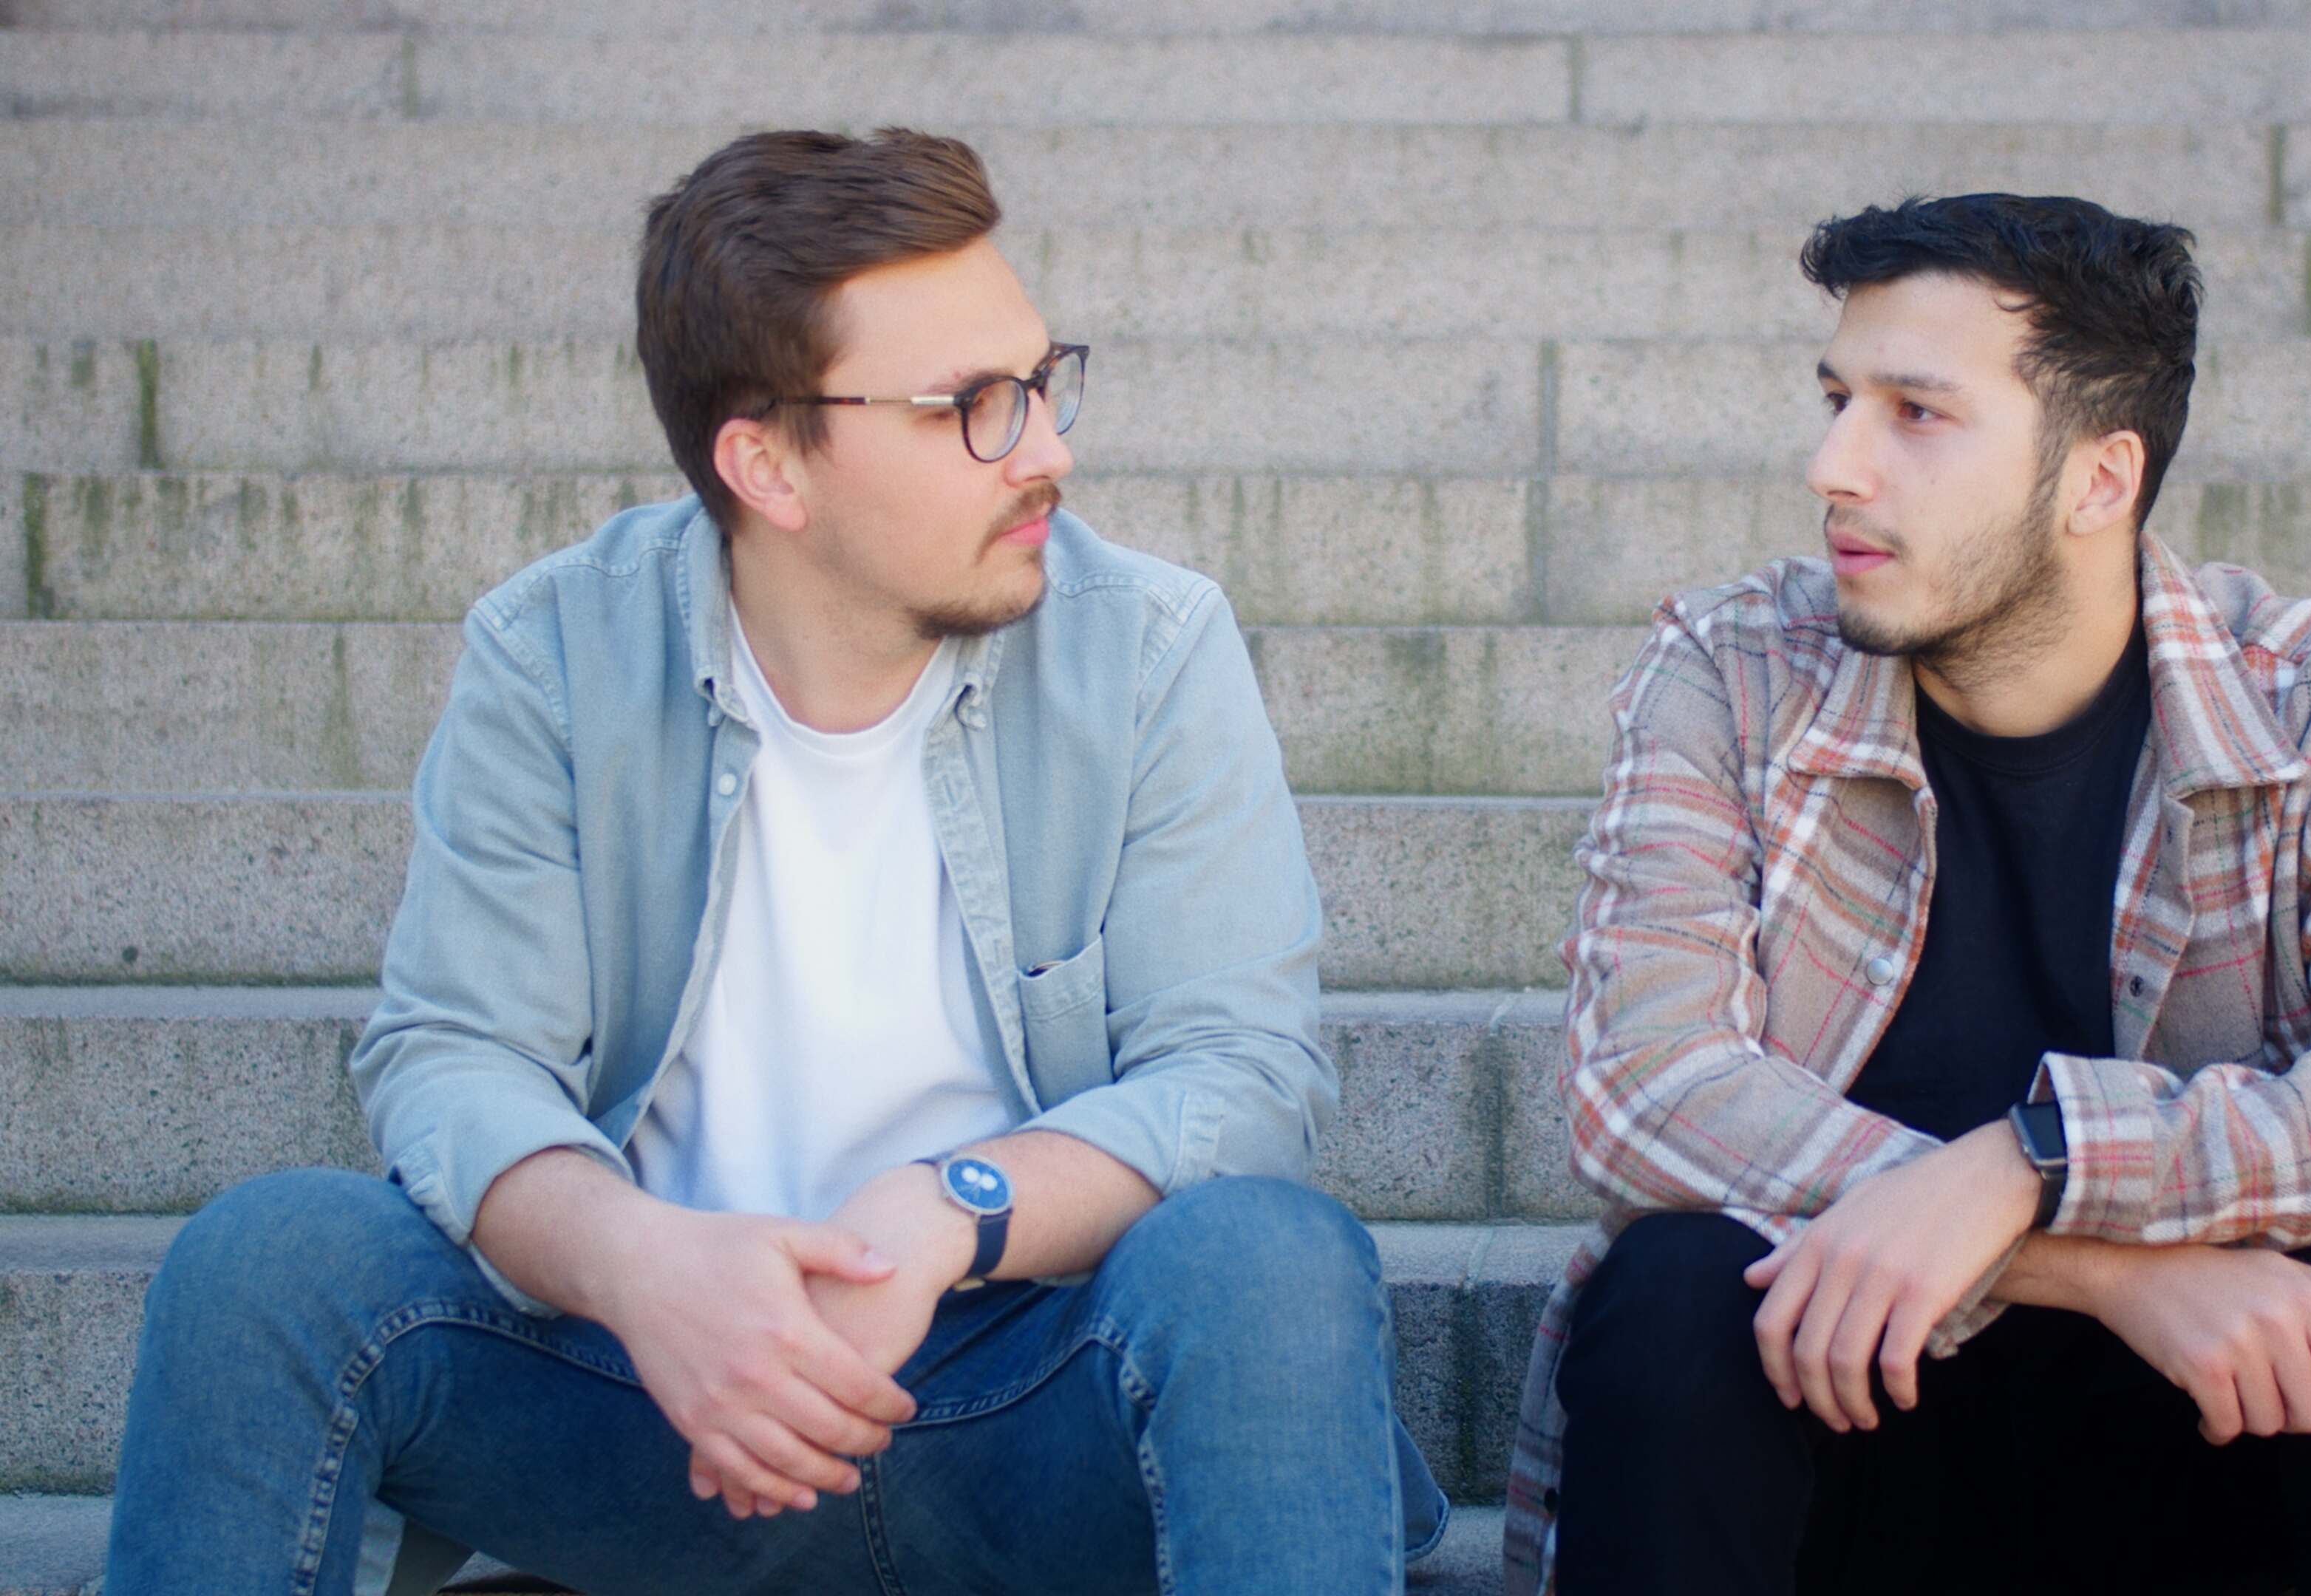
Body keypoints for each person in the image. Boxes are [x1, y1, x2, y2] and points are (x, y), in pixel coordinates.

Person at [105, 126, 1445, 1595]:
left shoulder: (1149, 648)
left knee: (1266, 1253)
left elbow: (1241, 1077)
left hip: (1032, 1399)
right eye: (975, 408)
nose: (1049, 446)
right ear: (768, 464)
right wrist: (642, 1268)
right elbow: (451, 1058)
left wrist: (954, 1211)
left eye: (1044, 380)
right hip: (654, 1405)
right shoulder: (555, 653)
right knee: (263, 1264)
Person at [1505, 193, 2311, 1595]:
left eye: (1915, 414)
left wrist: (2035, 1160)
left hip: (2194, 1455)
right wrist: (2100, 1268)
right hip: (1845, 1432)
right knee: (1677, 1295)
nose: (1833, 463)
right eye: (1836, 399)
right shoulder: (1732, 666)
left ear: (2098, 480)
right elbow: (1644, 1090)